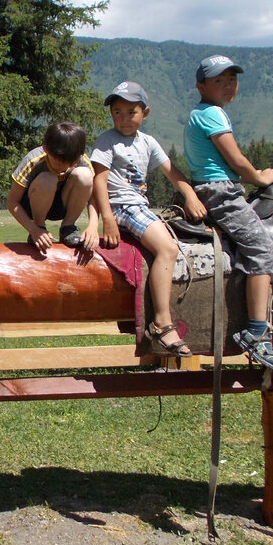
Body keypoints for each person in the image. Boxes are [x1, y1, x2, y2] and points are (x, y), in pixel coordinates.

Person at [90, 81, 207, 357]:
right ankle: (163, 322)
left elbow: (172, 171)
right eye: (117, 112)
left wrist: (189, 195)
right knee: (167, 248)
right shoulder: (107, 141)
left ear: (146, 113)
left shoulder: (148, 142)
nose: (123, 118)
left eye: (131, 112)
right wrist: (107, 217)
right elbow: (99, 179)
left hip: (140, 206)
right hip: (122, 206)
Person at [183, 55, 273, 371]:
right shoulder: (212, 114)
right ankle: (257, 331)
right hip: (220, 190)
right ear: (201, 86)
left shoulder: (203, 113)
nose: (228, 86)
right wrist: (260, 176)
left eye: (232, 79)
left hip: (213, 186)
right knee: (262, 249)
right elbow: (236, 160)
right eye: (219, 81)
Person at [6, 121, 98, 253]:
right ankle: (40, 228)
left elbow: (93, 197)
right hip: (33, 205)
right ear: (45, 149)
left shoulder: (81, 160)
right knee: (47, 178)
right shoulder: (33, 160)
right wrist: (34, 229)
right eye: (57, 160)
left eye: (69, 162)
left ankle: (68, 228)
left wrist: (93, 226)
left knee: (85, 175)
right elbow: (12, 202)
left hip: (63, 204)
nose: (62, 166)